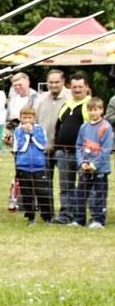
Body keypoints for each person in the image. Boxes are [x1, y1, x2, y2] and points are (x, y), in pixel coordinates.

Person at [52, 72, 91, 224]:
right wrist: (57, 147)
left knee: (83, 187)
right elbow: (58, 126)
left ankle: (79, 216)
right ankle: (65, 215)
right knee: (65, 187)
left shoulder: (90, 105)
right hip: (64, 152)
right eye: (74, 87)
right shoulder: (66, 105)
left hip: (82, 154)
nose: (77, 89)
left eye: (80, 86)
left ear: (87, 87)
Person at [35, 69, 70, 219]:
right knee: (44, 184)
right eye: (51, 82)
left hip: (63, 149)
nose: (53, 85)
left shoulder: (70, 98)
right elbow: (35, 122)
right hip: (44, 149)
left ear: (63, 82)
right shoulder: (40, 99)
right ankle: (47, 214)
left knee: (66, 184)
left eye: (57, 82)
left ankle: (66, 213)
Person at [72, 97, 112, 228]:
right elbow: (78, 146)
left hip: (100, 169)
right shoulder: (84, 127)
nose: (93, 113)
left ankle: (98, 220)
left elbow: (106, 149)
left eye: (96, 110)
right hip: (84, 167)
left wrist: (94, 165)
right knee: (80, 194)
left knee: (99, 195)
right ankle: (79, 219)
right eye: (90, 110)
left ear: (101, 110)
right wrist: (82, 162)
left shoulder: (106, 127)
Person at [12, 106, 52, 225]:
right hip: (23, 165)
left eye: (30, 117)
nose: (27, 120)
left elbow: (42, 145)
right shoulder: (18, 131)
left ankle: (47, 217)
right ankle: (30, 217)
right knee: (27, 193)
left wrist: (32, 134)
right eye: (24, 117)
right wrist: (25, 135)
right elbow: (20, 147)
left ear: (34, 118)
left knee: (42, 192)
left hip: (39, 165)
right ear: (20, 118)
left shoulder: (40, 129)